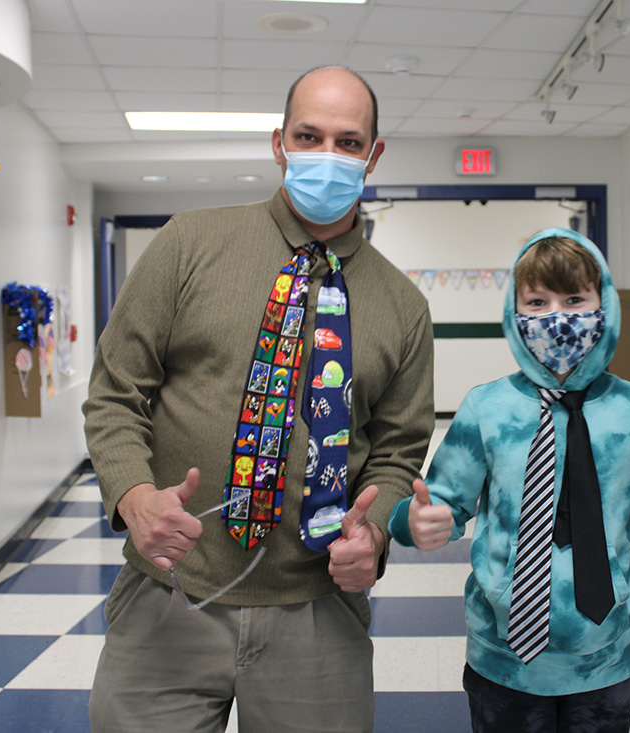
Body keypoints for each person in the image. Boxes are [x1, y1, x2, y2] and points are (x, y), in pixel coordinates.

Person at [82, 65, 434, 732]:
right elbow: (114, 392)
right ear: (279, 144)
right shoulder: (188, 244)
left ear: (374, 154)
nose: (327, 155)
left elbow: (397, 451)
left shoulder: (403, 306)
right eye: (309, 135)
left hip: (317, 610)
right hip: (170, 594)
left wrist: (377, 528)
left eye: (349, 141)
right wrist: (133, 497)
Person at [388, 228, 630, 732]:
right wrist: (411, 522)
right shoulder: (487, 409)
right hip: (503, 659)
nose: (557, 317)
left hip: (605, 658)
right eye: (537, 302)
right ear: (514, 314)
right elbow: (440, 502)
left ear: (603, 304)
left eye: (574, 299)